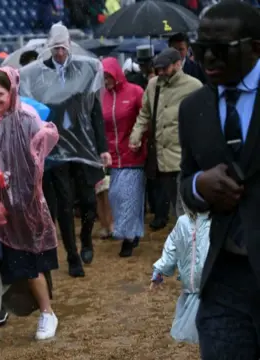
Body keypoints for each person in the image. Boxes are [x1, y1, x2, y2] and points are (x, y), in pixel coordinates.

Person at [178, 1, 260, 358]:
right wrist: (199, 185)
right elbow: (184, 182)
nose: (208, 59)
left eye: (220, 49)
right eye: (200, 49)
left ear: (256, 46)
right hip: (224, 281)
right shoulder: (192, 108)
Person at [0, 68, 60, 356]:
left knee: (28, 265)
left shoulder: (27, 119)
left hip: (20, 207)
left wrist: (12, 180)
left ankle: (47, 312)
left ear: (11, 93)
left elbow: (37, 161)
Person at [20, 22, 110, 277]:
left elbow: (95, 112)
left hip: (83, 148)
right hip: (56, 150)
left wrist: (102, 147)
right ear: (50, 48)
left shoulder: (85, 70)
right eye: (55, 49)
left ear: (69, 46)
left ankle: (87, 239)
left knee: (90, 200)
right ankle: (72, 256)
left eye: (62, 48)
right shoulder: (38, 75)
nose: (59, 54)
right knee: (65, 204)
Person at [129, 48, 202, 230]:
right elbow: (144, 113)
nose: (161, 72)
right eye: (158, 68)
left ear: (178, 64)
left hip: (184, 156)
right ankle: (189, 241)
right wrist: (136, 134)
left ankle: (191, 245)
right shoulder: (154, 85)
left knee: (183, 205)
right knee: (175, 205)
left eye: (165, 68)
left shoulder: (194, 86)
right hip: (161, 158)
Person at [101, 57, 147, 257]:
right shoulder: (102, 96)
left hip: (132, 153)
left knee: (126, 195)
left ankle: (127, 238)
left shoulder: (135, 91)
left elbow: (145, 118)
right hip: (112, 156)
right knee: (117, 196)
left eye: (108, 76)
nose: (106, 80)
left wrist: (139, 141)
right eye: (102, 77)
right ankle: (133, 232)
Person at [150, 205, 211, 344]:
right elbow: (171, 247)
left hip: (212, 289)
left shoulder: (217, 223)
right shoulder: (183, 222)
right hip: (190, 289)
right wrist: (158, 272)